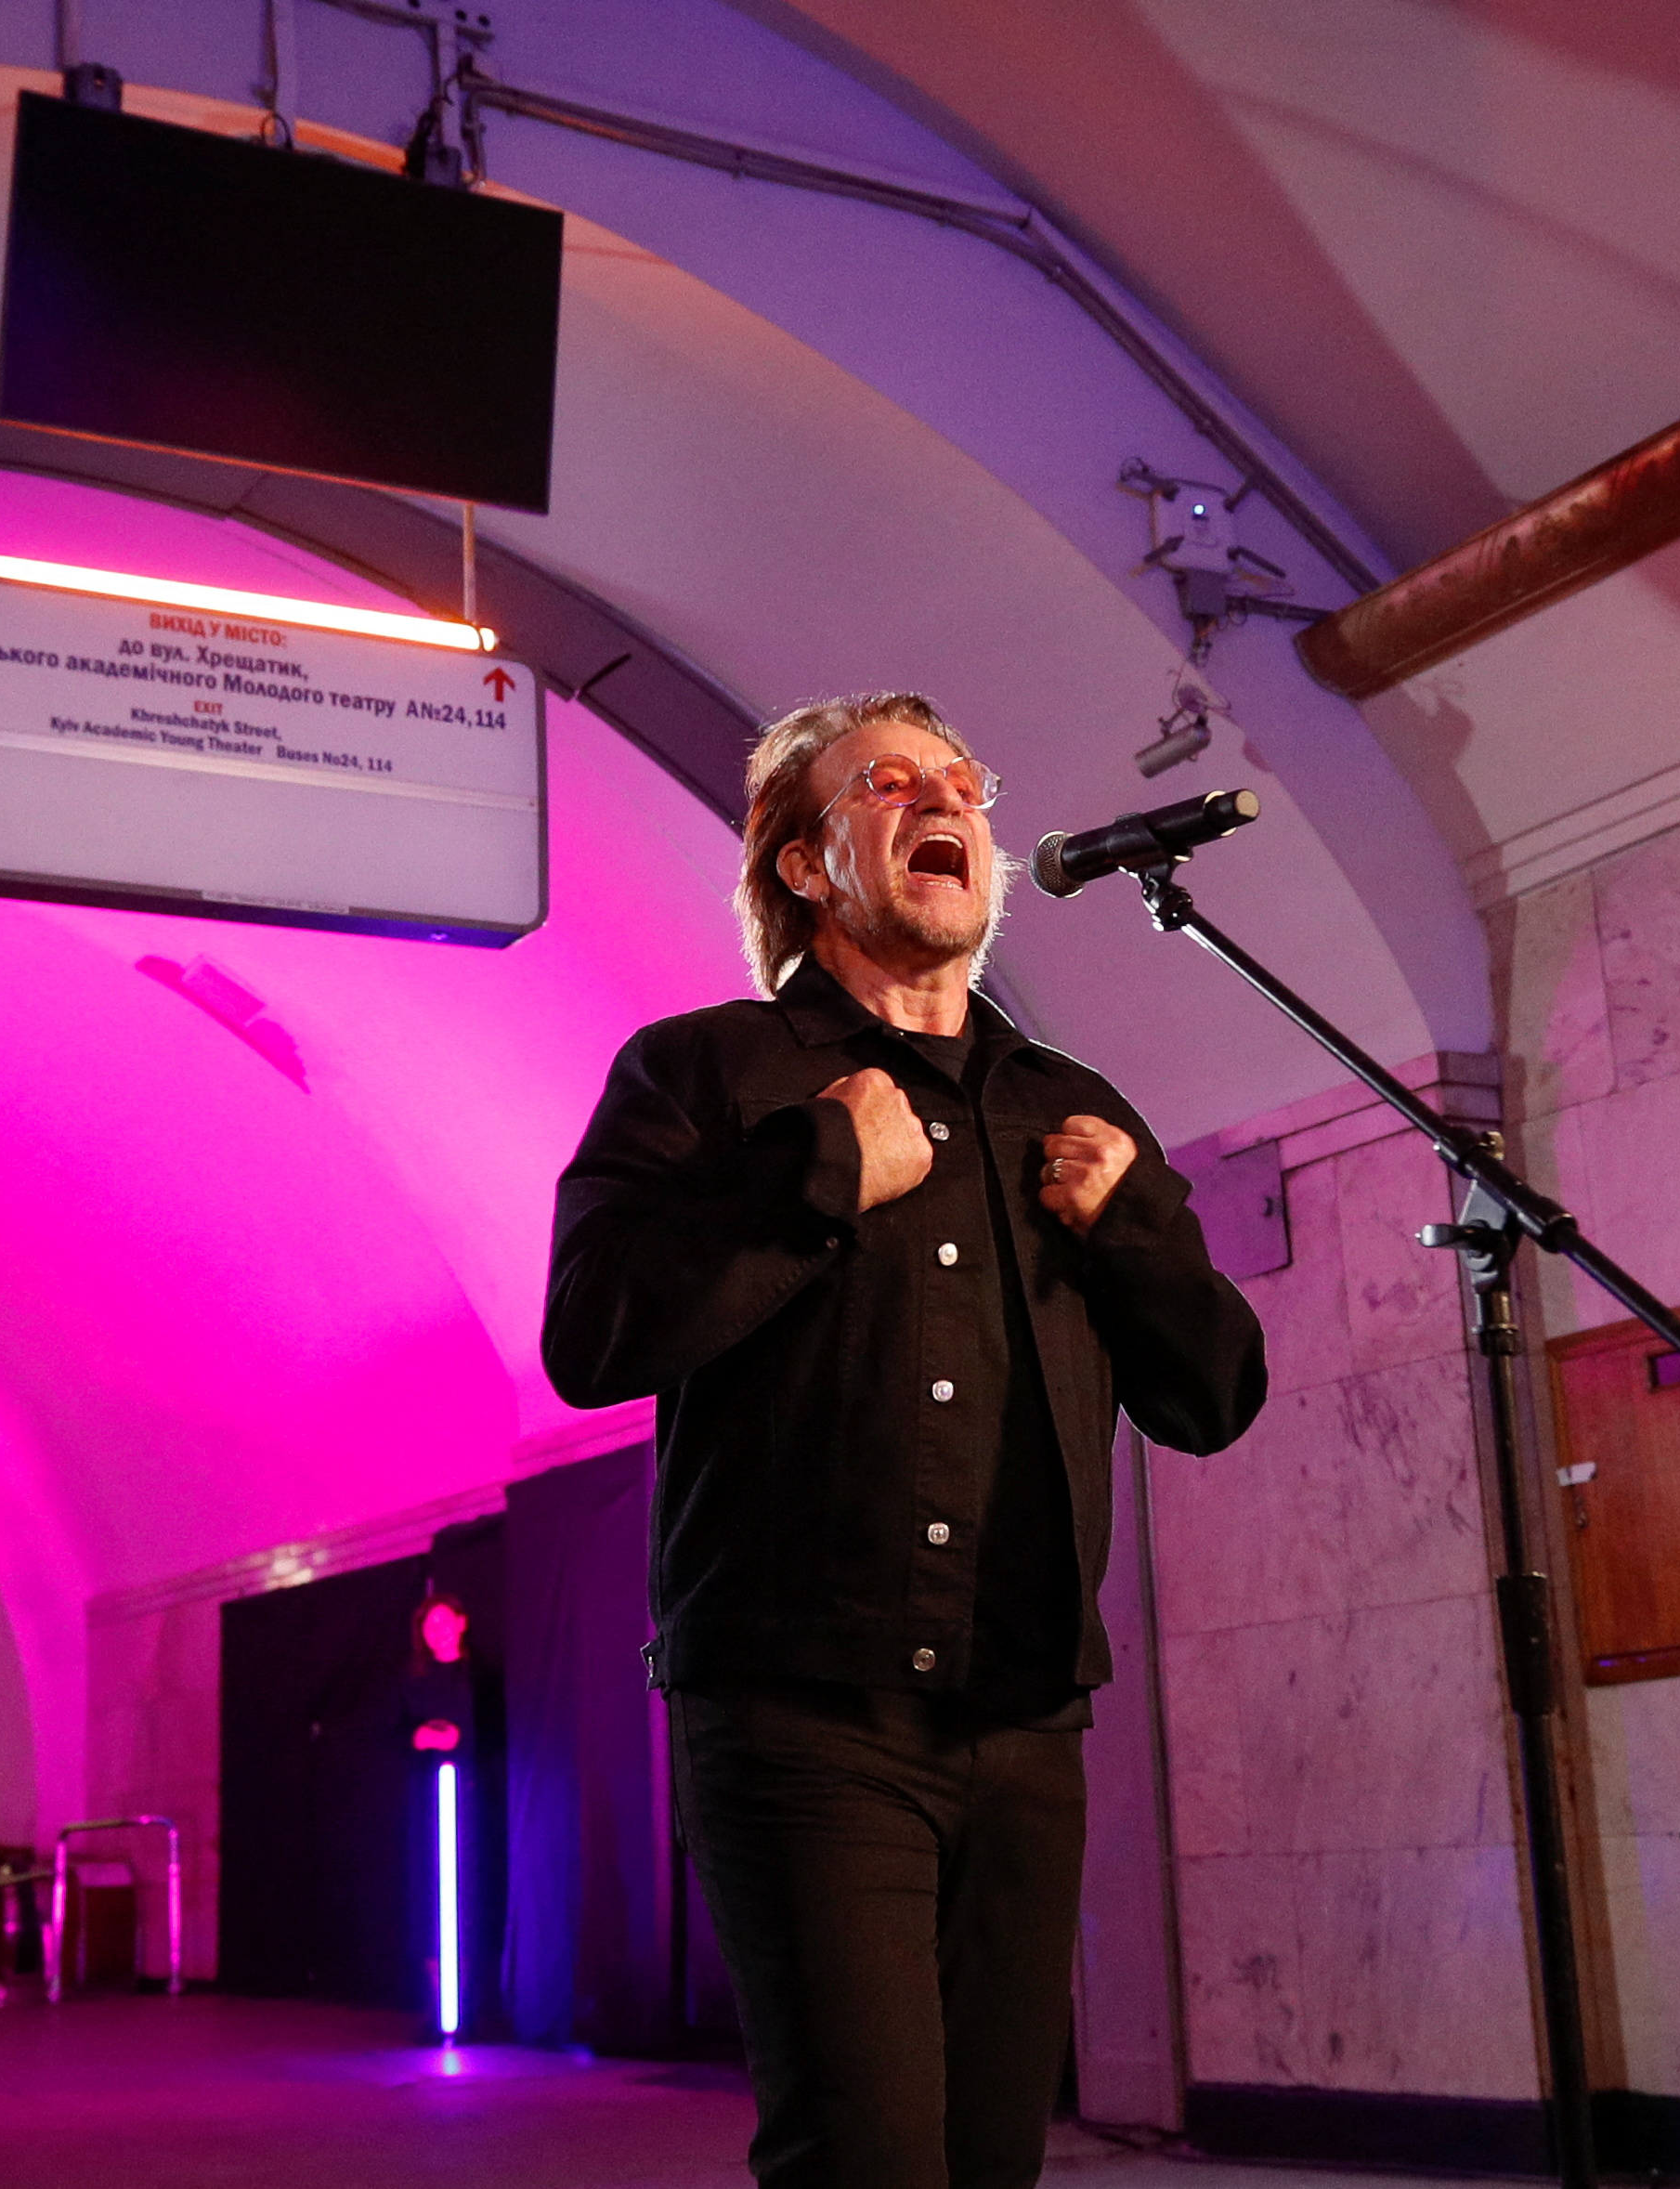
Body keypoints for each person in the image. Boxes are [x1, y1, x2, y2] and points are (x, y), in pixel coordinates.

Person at [543, 691, 1268, 2189]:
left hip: (1023, 1723)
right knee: (866, 2156)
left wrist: (1128, 1226)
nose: (944, 800)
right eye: (886, 783)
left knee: (991, 2162)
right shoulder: (704, 1074)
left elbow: (1213, 1399)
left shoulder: (1077, 1115)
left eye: (963, 782)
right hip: (804, 1714)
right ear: (809, 866)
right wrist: (816, 1168)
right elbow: (594, 1336)